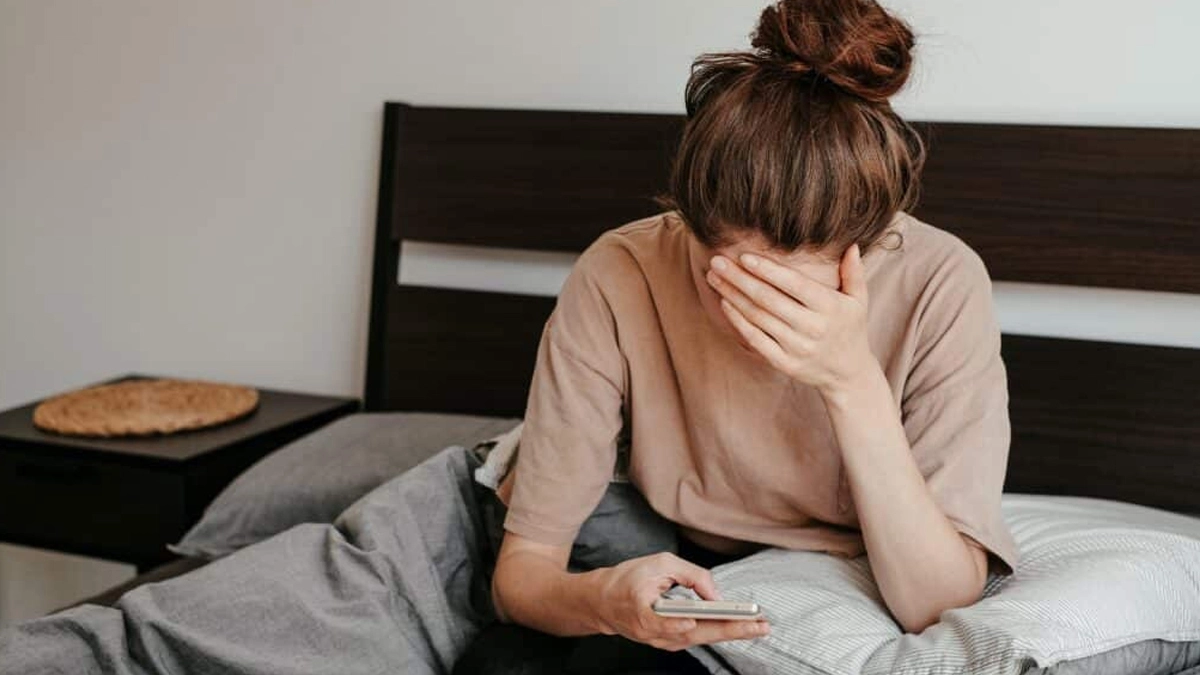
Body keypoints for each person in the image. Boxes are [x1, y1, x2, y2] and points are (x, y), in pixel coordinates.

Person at [470, 0, 1019, 673]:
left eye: (789, 291)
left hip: (859, 574)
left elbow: (935, 601)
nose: (748, 318)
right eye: (725, 278)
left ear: (864, 249)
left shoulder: (941, 281)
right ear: (688, 225)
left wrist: (849, 380)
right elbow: (522, 575)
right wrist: (602, 600)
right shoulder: (623, 271)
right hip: (679, 554)